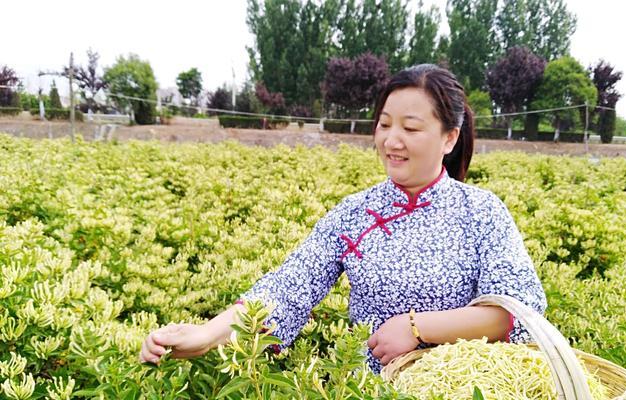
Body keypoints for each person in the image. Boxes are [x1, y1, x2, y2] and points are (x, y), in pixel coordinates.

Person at [139, 64, 547, 374]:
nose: (392, 141)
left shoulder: (481, 211)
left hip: (462, 386)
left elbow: (516, 311)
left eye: (411, 127)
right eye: (384, 125)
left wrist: (417, 327)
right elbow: (290, 285)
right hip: (370, 388)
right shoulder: (355, 213)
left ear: (449, 137)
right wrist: (207, 333)